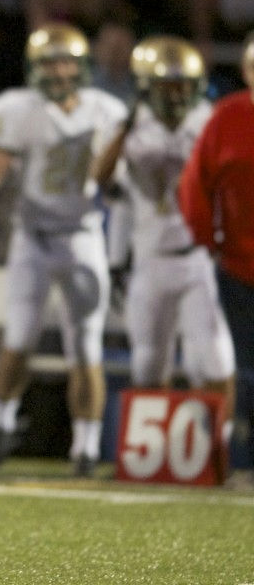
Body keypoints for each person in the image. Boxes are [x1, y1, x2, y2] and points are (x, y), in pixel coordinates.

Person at [0, 22, 127, 477]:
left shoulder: (107, 110)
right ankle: (0, 423)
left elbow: (115, 181)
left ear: (81, 66)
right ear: (34, 68)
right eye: (49, 62)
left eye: (65, 61)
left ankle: (83, 445)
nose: (59, 70)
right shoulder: (17, 108)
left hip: (82, 233)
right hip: (33, 236)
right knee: (19, 339)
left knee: (85, 347)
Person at [94, 36, 235, 439]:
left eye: (182, 87)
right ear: (144, 88)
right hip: (149, 259)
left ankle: (217, 449)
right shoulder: (128, 125)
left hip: (196, 259)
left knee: (214, 360)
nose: (176, 96)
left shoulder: (207, 120)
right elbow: (103, 182)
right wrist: (116, 258)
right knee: (148, 365)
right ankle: (150, 452)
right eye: (165, 87)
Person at [178, 30, 254, 478]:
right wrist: (210, 241)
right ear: (246, 72)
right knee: (244, 371)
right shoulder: (225, 118)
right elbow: (194, 187)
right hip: (238, 268)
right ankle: (237, 458)